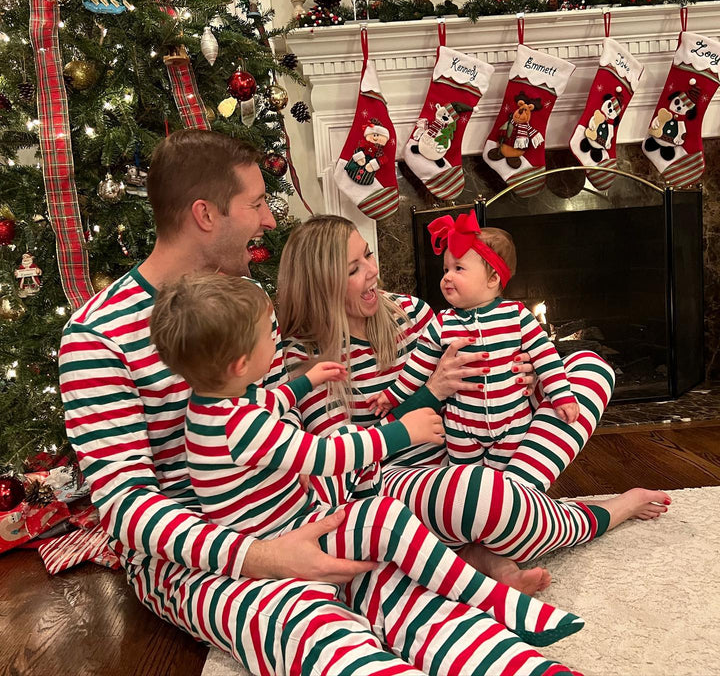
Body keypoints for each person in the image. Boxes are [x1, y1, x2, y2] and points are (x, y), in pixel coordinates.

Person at [59, 129, 590, 676]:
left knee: (405, 591)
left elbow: (280, 419)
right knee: (309, 624)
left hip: (302, 507)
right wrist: (266, 558)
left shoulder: (249, 304)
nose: (269, 220)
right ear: (205, 214)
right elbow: (127, 508)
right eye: (257, 203)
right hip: (200, 554)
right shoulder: (97, 338)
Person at [149, 272, 585, 647]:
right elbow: (322, 454)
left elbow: (270, 400)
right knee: (393, 519)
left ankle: (498, 550)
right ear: (241, 363)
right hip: (289, 537)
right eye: (269, 334)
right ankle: (498, 593)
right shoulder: (239, 422)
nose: (276, 340)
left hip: (304, 513)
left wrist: (305, 384)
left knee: (588, 374)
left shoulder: (215, 403)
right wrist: (400, 430)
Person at [276, 214, 671, 595]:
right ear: (322, 284)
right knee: (483, 496)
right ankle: (607, 511)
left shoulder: (408, 312)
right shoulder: (305, 358)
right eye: (353, 268)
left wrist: (526, 376)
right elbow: (337, 463)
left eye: (368, 254)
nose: (372, 271)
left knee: (589, 368)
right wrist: (430, 394)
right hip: (397, 478)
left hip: (475, 438)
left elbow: (481, 373)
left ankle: (498, 524)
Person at [369, 212, 580, 469]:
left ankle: (515, 499)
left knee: (504, 477)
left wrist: (562, 395)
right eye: (445, 269)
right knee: (466, 477)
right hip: (461, 427)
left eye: (458, 269)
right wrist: (392, 396)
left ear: (493, 279)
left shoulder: (516, 316)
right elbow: (417, 368)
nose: (447, 276)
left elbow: (546, 357)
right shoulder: (443, 322)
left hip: (512, 423)